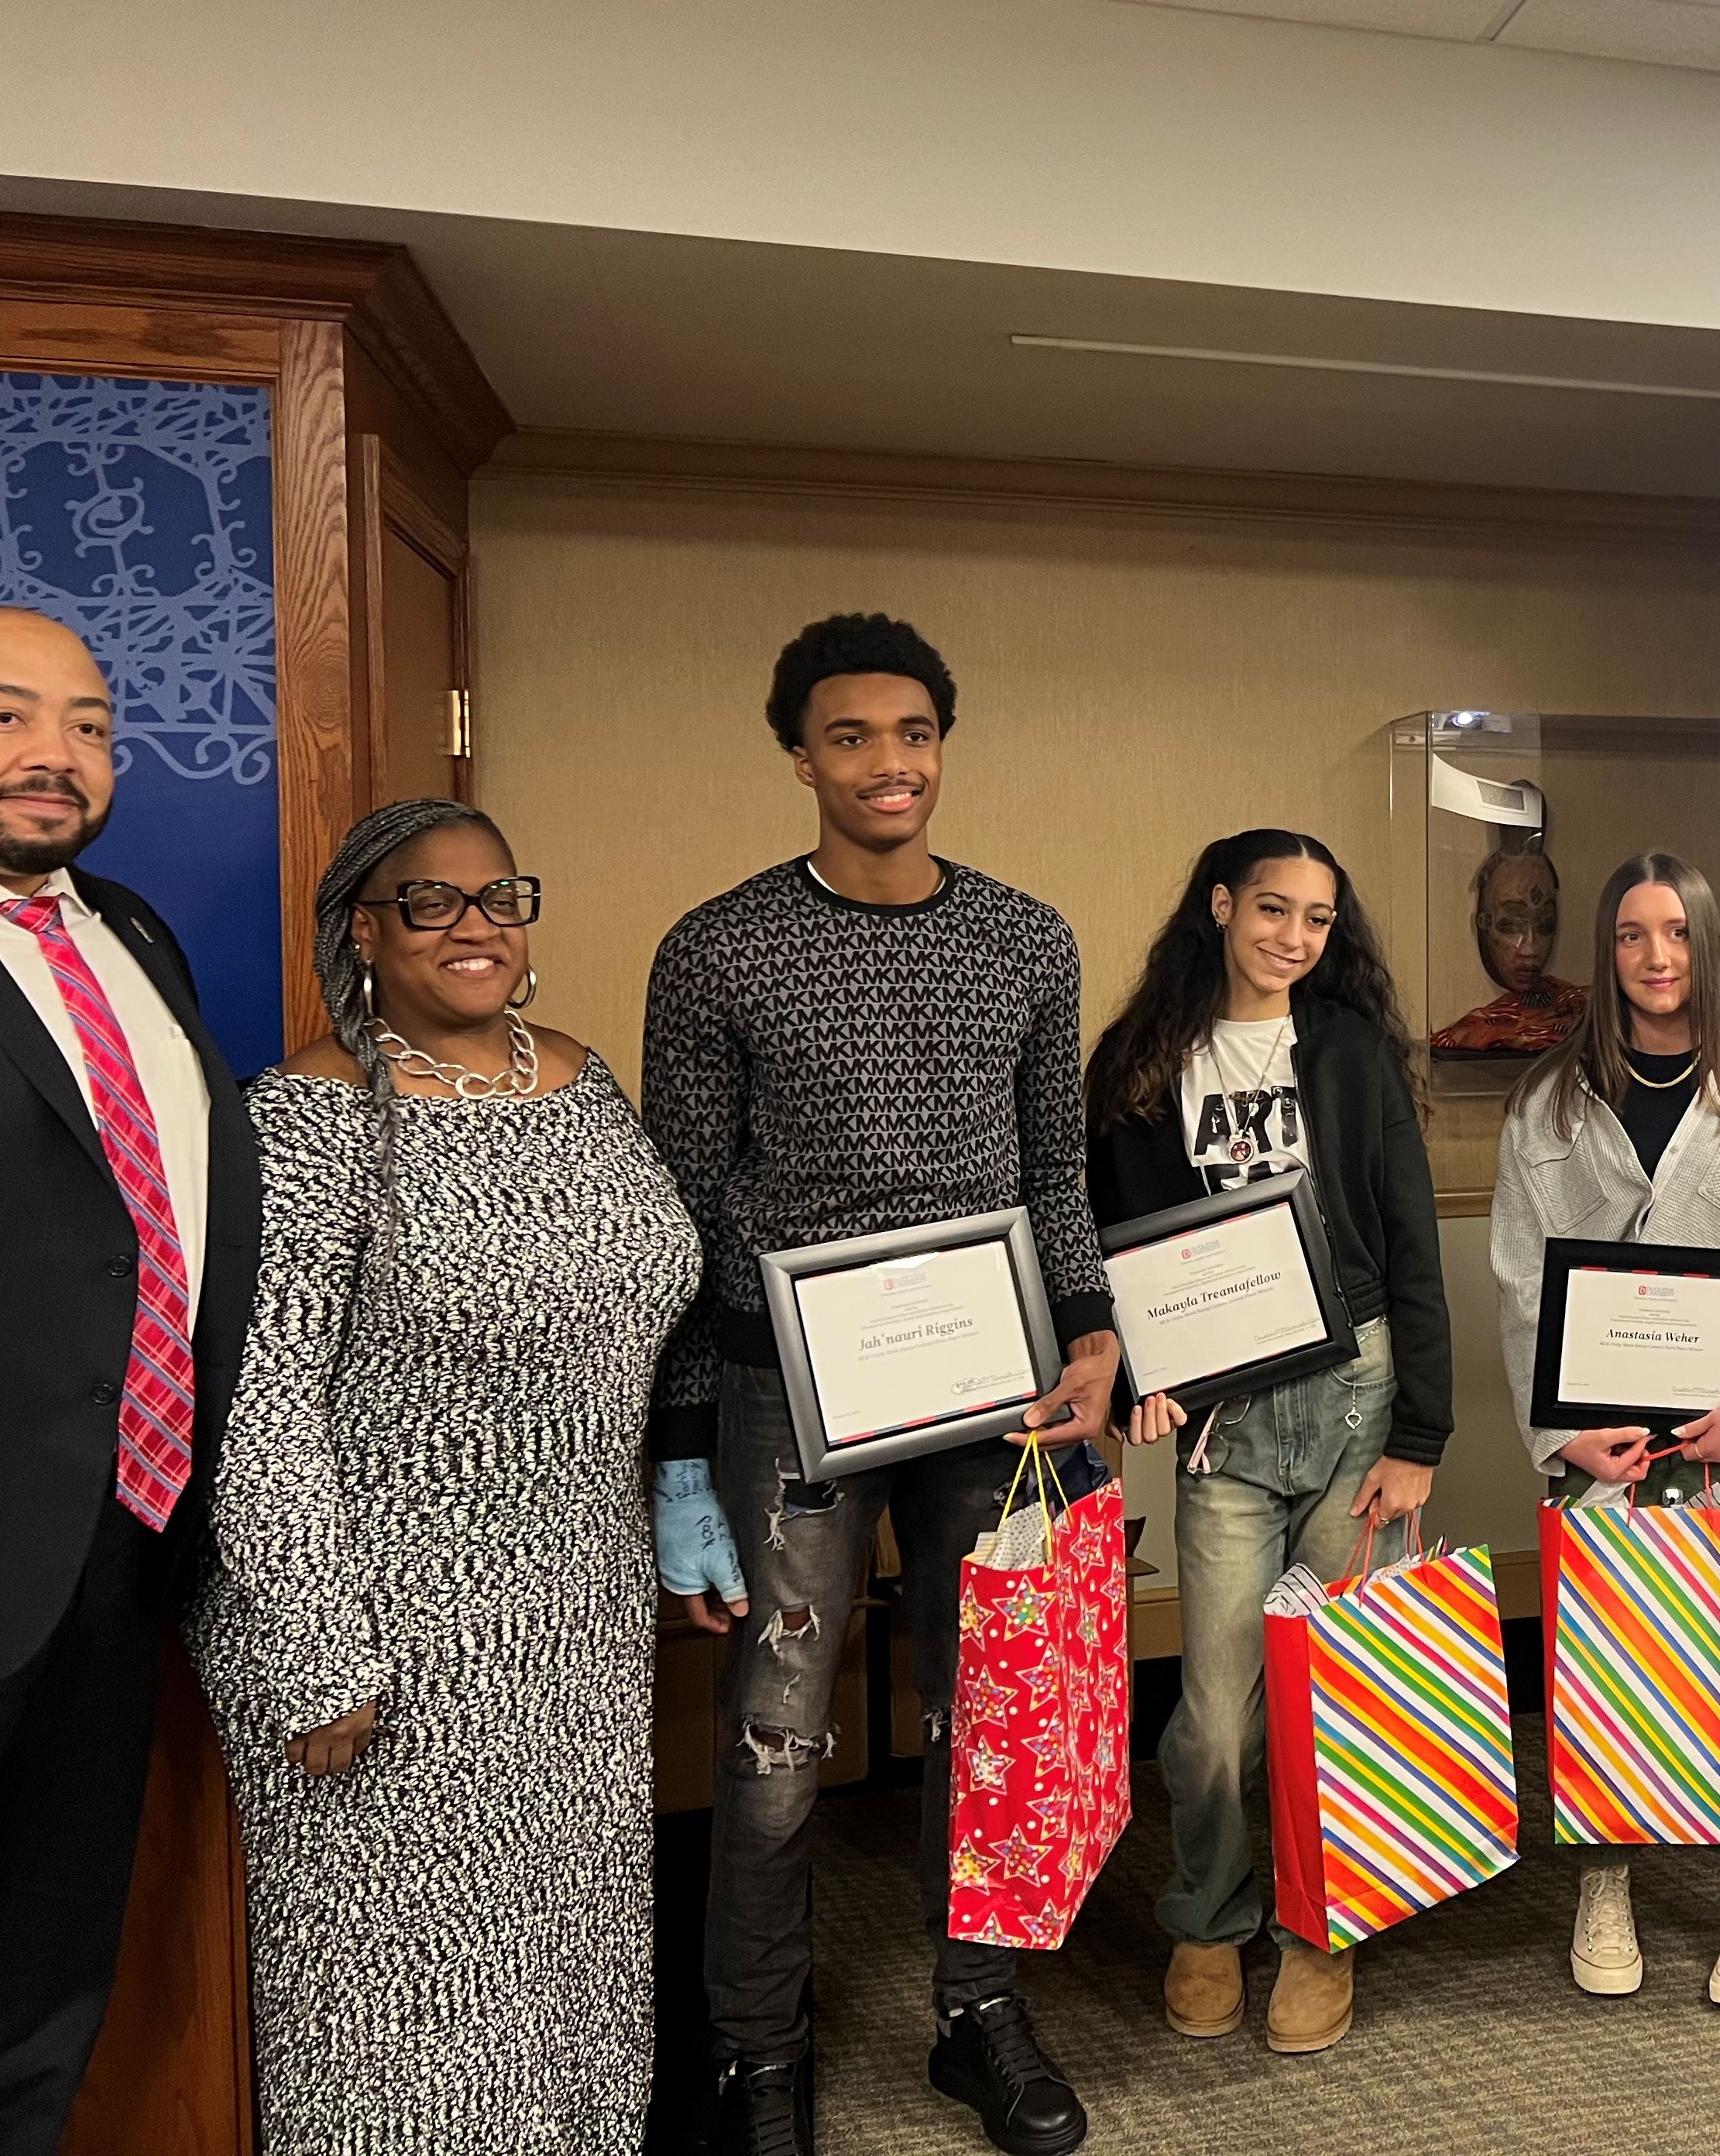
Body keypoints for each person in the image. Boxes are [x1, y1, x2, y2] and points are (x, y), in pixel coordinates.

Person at [644, 614, 1121, 2156]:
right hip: (798, 1390)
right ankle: (755, 2049)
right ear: (799, 756)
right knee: (778, 1733)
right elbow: (689, 1200)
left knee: (986, 1705)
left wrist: (1095, 1328)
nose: (888, 762)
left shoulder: (1028, 939)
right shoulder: (717, 949)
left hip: (996, 1385)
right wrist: (704, 1426)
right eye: (851, 736)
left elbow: (1055, 1170)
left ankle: (977, 2012)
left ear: (942, 746)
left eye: (913, 733)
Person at [185, 800, 697, 2154]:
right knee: (396, 2008)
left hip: (577, 1606)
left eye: (497, 896)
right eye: (431, 901)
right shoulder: (309, 1115)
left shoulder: (583, 1078)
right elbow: (260, 1397)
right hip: (382, 1624)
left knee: (569, 1965)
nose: (475, 924)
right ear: (365, 928)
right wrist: (313, 1648)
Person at [1084, 829, 1452, 2056]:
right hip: (1225, 1427)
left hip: (1356, 1398)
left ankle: (1317, 1931)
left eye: (1319, 919)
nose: (1295, 937)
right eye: (1274, 909)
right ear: (1221, 905)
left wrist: (1424, 1434)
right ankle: (1206, 1916)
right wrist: (1141, 1373)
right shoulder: (1141, 1062)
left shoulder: (1350, 1053)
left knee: (1331, 1697)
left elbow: (1410, 1247)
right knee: (1217, 1717)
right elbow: (1117, 1246)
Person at [0, 607, 259, 2153]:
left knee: (46, 1962)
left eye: (89, 723)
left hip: (121, 1540)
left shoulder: (136, 936)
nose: (55, 754)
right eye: (13, 715)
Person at [1490, 851, 1720, 2010]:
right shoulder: (1547, 1101)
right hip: (1603, 1446)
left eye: (1678, 933)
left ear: (1706, 944)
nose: (1657, 958)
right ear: (1608, 951)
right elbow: (1523, 1286)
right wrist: (1562, 1433)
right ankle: (1605, 1875)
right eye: (1633, 935)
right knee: (1606, 1669)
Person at [1430, 842, 1584, 1054]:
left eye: (1545, 926)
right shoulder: (1474, 1028)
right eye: (1510, 926)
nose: (1530, 948)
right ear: (1484, 923)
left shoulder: (1579, 1008)